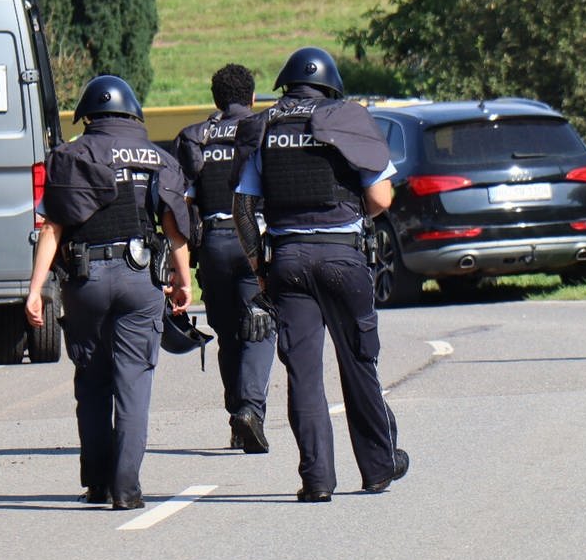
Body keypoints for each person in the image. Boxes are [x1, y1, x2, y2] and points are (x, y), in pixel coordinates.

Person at [229, 46, 408, 503]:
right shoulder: (349, 118)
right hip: (342, 257)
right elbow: (383, 198)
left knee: (304, 375)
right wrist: (354, 211)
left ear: (287, 85)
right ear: (331, 85)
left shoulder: (266, 126)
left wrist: (261, 272)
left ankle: (316, 481)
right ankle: (378, 468)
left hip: (287, 260)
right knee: (358, 364)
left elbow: (243, 209)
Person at [26, 75, 193, 511]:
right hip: (141, 281)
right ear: (132, 113)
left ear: (88, 116)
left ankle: (97, 483)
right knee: (133, 384)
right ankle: (125, 488)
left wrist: (36, 289)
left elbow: (52, 229)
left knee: (93, 382)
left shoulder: (69, 156)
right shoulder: (158, 158)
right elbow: (175, 231)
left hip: (87, 282)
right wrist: (183, 281)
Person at [173, 64, 277, 453]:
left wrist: (180, 264)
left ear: (216, 99)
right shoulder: (263, 127)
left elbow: (182, 205)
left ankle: (237, 417)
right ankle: (250, 410)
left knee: (230, 335)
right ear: (252, 97)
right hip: (255, 239)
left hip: (213, 245)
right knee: (261, 326)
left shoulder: (193, 137)